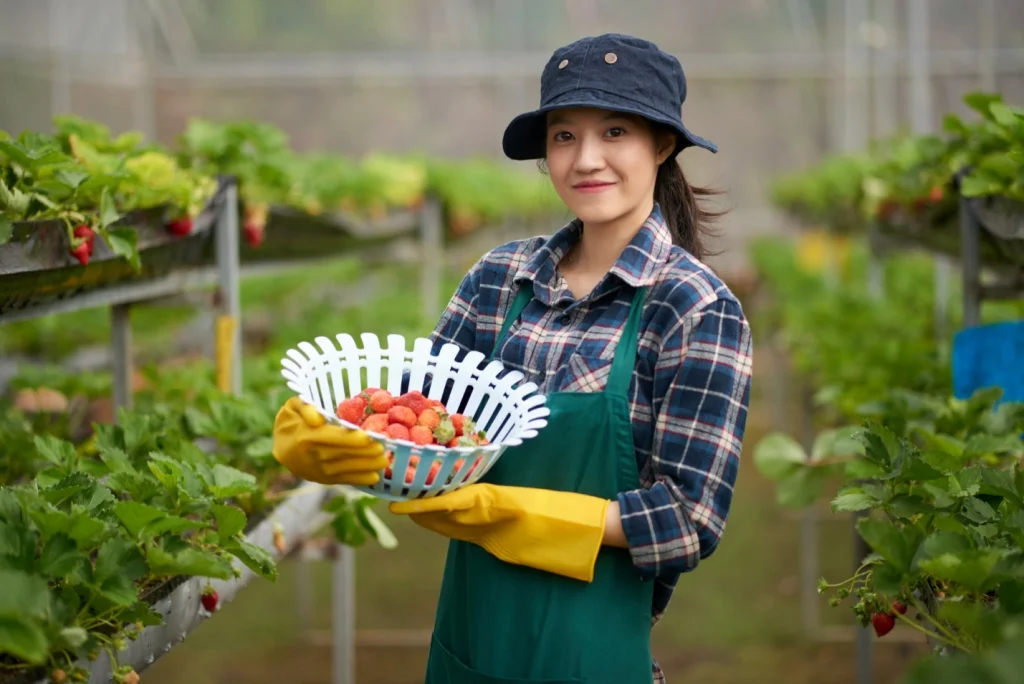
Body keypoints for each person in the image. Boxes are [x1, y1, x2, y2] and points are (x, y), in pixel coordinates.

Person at [272, 33, 753, 684]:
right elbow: (419, 421)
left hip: (592, 660)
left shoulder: (694, 308)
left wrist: (515, 515)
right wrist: (335, 436)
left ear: (662, 145)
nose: (587, 159)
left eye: (615, 132)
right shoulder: (499, 280)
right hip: (468, 652)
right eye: (564, 136)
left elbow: (689, 521)